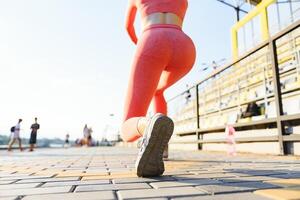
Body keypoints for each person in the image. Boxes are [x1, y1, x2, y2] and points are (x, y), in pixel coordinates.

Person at [121, 0, 196, 177]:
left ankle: (148, 126)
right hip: (185, 46)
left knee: (126, 127)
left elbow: (128, 27)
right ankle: (163, 148)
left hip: (152, 39)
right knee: (158, 91)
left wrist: (144, 48)